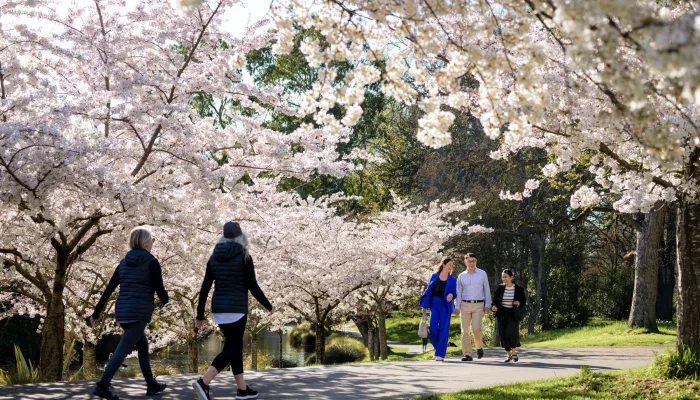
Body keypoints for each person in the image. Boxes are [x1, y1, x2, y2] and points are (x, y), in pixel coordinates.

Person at [192, 222, 273, 400]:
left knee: (235, 347)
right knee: (231, 348)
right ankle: (204, 381)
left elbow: (205, 287)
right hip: (237, 309)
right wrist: (268, 305)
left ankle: (242, 389)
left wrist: (200, 315)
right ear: (241, 237)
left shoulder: (213, 257)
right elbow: (252, 285)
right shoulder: (244, 256)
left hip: (219, 310)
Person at [89, 226, 169, 400]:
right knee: (122, 350)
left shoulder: (124, 262)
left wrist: (96, 312)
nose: (152, 243)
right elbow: (159, 288)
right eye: (151, 240)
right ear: (146, 242)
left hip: (123, 311)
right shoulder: (151, 262)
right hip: (139, 312)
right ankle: (103, 385)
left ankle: (151, 384)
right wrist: (165, 298)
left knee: (142, 346)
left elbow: (109, 289)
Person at [454, 253, 491, 361]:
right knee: (465, 330)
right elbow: (458, 292)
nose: (471, 263)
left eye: (473, 261)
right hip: (464, 305)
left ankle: (479, 347)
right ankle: (468, 354)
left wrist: (487, 304)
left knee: (476, 328)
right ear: (465, 262)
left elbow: (486, 289)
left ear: (476, 261)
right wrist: (457, 306)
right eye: (469, 261)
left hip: (478, 305)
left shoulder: (482, 274)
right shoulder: (461, 276)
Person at [419, 257, 457, 361]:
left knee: (443, 331)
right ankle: (438, 348)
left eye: (452, 265)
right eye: (449, 264)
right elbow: (428, 292)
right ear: (443, 265)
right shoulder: (434, 276)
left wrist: (451, 295)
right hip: (434, 306)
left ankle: (440, 354)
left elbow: (455, 293)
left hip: (445, 306)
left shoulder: (453, 280)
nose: (450, 267)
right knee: (433, 330)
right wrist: (424, 306)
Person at [491, 269, 527, 362]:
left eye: (506, 277)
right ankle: (508, 355)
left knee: (512, 332)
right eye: (503, 277)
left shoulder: (519, 288)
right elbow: (495, 300)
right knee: (504, 334)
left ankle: (514, 352)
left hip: (513, 313)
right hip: (502, 313)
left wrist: (519, 302)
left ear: (511, 277)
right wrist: (494, 306)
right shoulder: (500, 288)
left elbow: (523, 300)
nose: (504, 279)